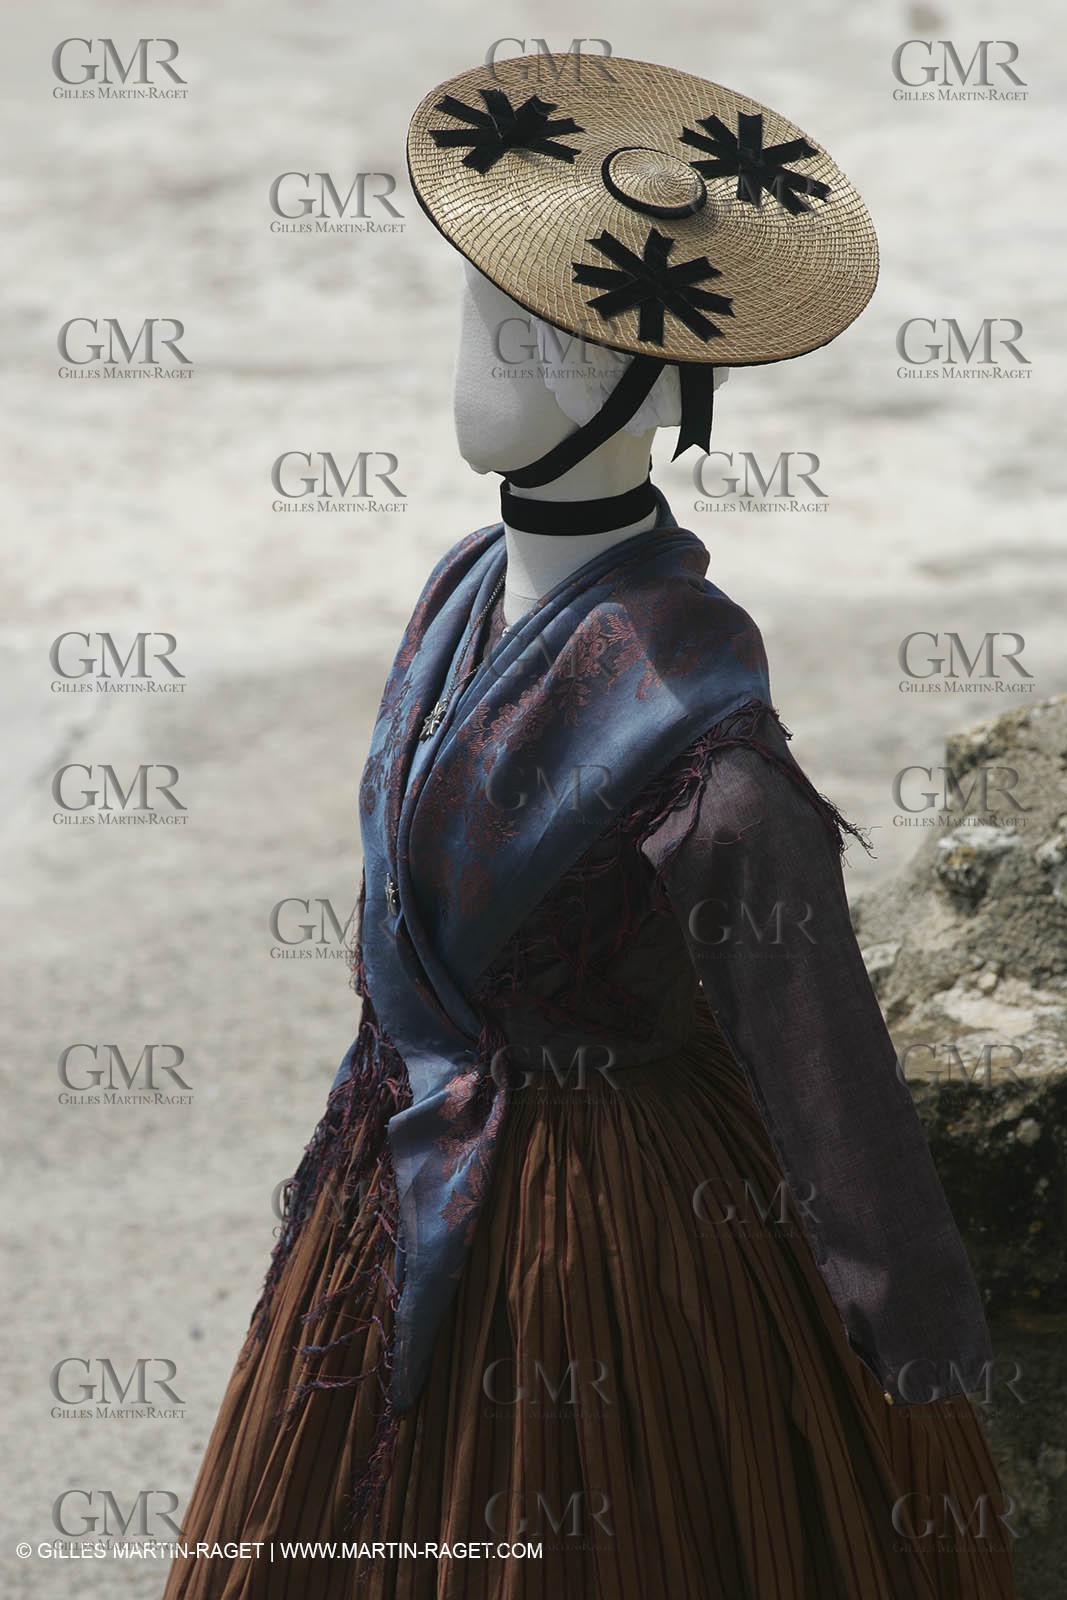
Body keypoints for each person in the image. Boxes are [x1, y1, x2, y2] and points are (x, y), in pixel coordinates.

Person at [164, 53, 1016, 1600]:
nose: (474, 351)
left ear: (621, 381)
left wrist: (918, 1345)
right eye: (480, 306)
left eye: (518, 324)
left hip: (609, 1244)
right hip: (391, 1173)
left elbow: (829, 1078)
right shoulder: (457, 598)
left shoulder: (707, 750)